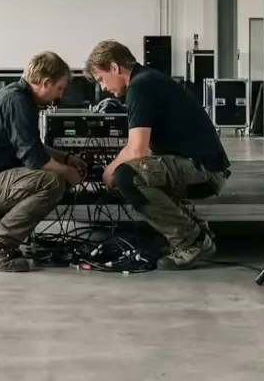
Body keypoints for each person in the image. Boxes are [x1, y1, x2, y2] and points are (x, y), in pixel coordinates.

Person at [85, 39, 230, 269]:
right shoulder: (149, 79)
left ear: (114, 67)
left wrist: (109, 172)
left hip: (202, 171)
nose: (103, 88)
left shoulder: (140, 86)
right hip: (205, 168)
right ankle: (194, 231)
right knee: (138, 172)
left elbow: (137, 150)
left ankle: (190, 241)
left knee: (128, 177)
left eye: (101, 79)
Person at [0, 51, 87, 272]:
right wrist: (67, 171)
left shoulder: (16, 97)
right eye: (59, 88)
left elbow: (30, 145)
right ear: (45, 82)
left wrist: (67, 158)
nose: (59, 96)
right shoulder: (18, 103)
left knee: (47, 176)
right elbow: (35, 160)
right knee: (51, 181)